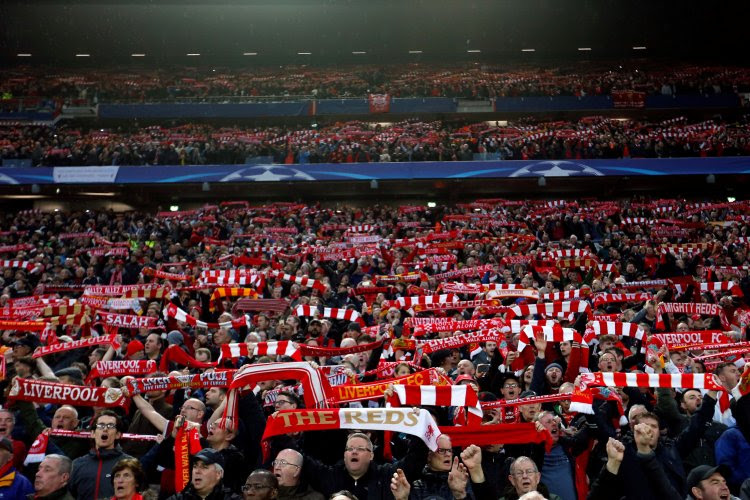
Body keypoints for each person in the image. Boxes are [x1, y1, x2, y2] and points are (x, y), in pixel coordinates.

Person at [300, 432, 426, 499]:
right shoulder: (331, 476)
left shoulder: (387, 475)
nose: (354, 451)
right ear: (344, 455)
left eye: (360, 448)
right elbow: (302, 459)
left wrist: (418, 426)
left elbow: (415, 458)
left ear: (371, 455)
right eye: (350, 449)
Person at [70, 411, 134, 500]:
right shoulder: (77, 464)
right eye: (101, 426)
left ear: (118, 435)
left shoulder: (130, 464)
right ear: (92, 433)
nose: (105, 429)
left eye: (111, 426)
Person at [167, 448, 241, 500]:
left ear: (218, 474)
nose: (197, 471)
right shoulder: (179, 498)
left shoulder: (231, 498)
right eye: (195, 466)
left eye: (204, 467)